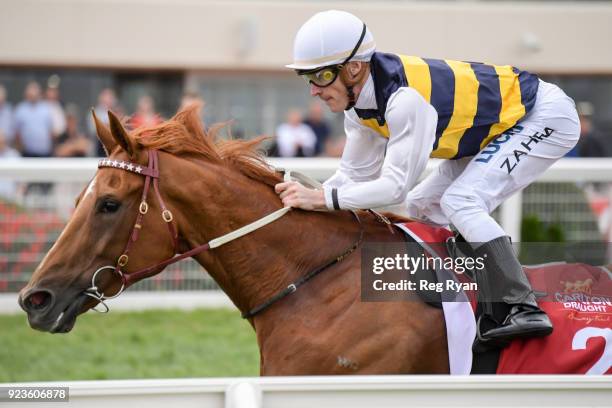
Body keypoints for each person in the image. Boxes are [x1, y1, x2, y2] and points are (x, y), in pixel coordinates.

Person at [275, 10, 581, 347]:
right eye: (308, 78)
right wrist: (305, 197)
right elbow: (353, 175)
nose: (314, 91)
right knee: (422, 204)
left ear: (353, 68)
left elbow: (394, 186)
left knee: (460, 201)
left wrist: (321, 200)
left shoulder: (404, 100)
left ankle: (522, 305)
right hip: (491, 131)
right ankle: (466, 297)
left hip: (543, 115)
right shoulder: (358, 106)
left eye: (320, 77)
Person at [14, 81, 54, 158]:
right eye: (31, 93)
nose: (33, 95)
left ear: (39, 94)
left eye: (35, 93)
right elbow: (17, 132)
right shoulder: (21, 109)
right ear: (26, 94)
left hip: (44, 152)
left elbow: (51, 131)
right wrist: (20, 147)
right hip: (27, 152)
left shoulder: (46, 108)